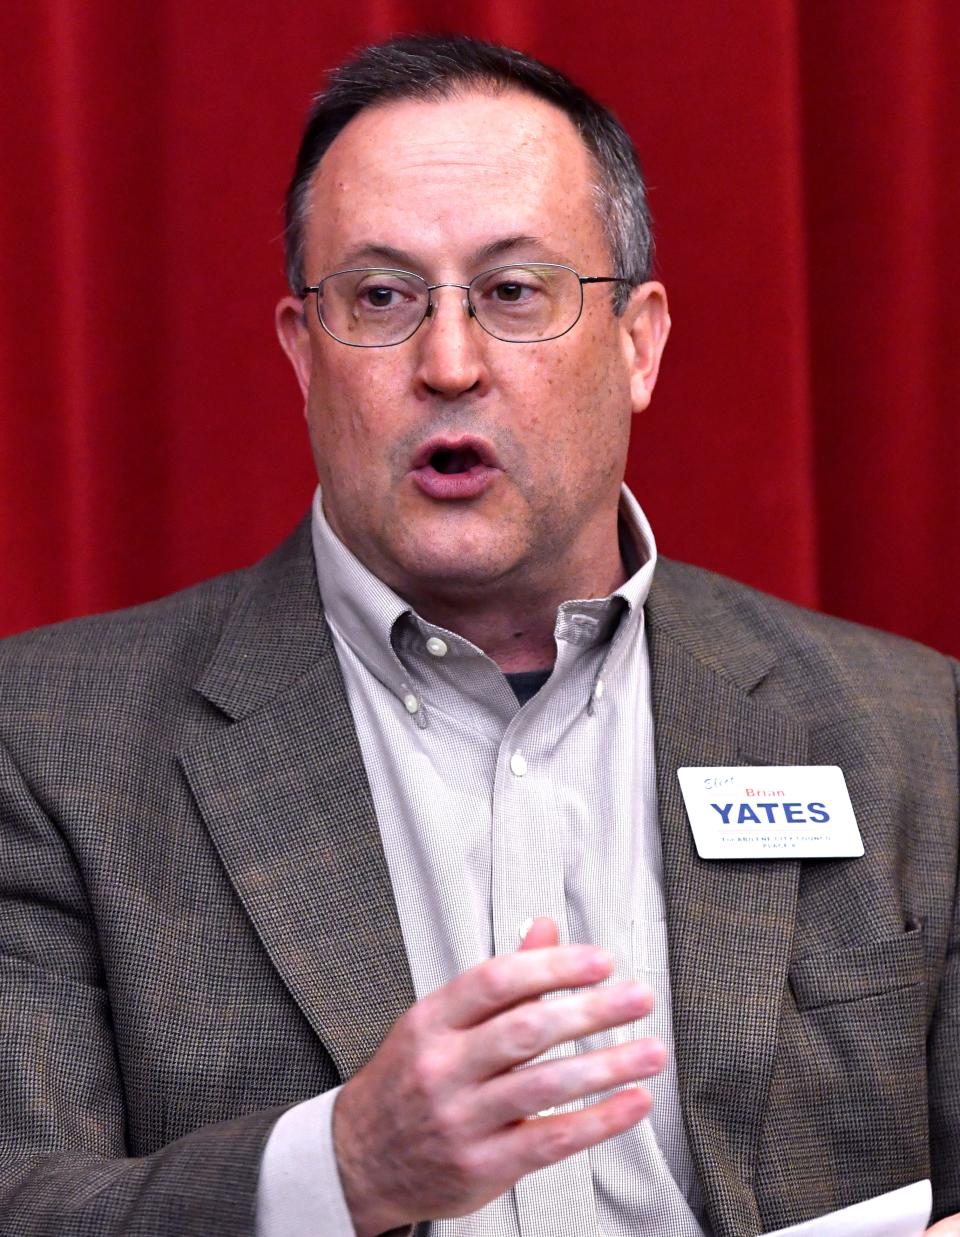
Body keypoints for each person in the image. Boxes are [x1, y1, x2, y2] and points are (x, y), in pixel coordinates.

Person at [0, 32, 958, 1237]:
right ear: (303, 354)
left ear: (638, 342)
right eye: (382, 298)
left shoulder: (915, 734)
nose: (448, 364)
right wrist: (340, 1170)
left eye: (514, 292)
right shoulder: (45, 746)